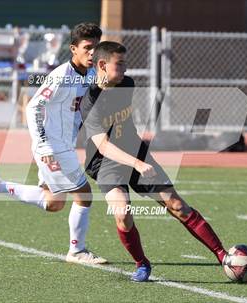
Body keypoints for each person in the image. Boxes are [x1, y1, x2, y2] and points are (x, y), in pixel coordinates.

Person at [80, 41, 227, 282]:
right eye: (120, 64)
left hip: (135, 151)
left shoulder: (126, 84)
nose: (126, 69)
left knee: (178, 206)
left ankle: (223, 256)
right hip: (105, 161)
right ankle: (142, 264)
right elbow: (104, 146)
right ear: (102, 65)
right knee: (122, 213)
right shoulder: (90, 101)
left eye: (126, 63)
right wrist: (136, 165)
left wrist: (137, 158)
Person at [0, 23, 107, 265]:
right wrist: (44, 145)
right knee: (84, 196)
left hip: (63, 144)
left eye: (96, 47)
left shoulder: (91, 75)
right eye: (87, 47)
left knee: (53, 202)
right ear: (73, 49)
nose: (93, 52)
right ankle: (77, 251)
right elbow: (33, 107)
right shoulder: (62, 75)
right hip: (52, 147)